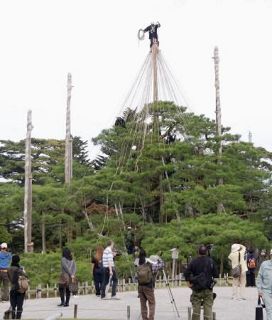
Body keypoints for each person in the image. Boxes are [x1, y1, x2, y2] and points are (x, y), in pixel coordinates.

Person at [184, 245, 218, 320]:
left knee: (196, 310)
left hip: (197, 288)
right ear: (206, 252)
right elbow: (216, 275)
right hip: (208, 289)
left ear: (198, 252)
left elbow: (186, 273)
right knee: (208, 309)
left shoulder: (194, 261)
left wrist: (188, 283)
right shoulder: (211, 261)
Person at [137, 248, 155, 320]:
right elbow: (156, 267)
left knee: (143, 304)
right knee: (152, 303)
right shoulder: (148, 261)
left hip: (140, 286)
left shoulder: (137, 262)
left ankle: (144, 318)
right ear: (145, 254)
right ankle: (151, 318)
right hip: (148, 286)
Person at [7, 255, 26, 319]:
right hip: (20, 290)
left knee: (13, 305)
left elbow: (9, 278)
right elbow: (26, 276)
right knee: (19, 306)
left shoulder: (9, 269)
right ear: (18, 260)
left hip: (12, 289)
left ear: (12, 260)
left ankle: (12, 317)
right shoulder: (19, 269)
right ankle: (18, 318)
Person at [256, 249, 272, 320]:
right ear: (271, 255)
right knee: (269, 310)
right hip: (266, 291)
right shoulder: (264, 264)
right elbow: (259, 278)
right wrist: (259, 290)